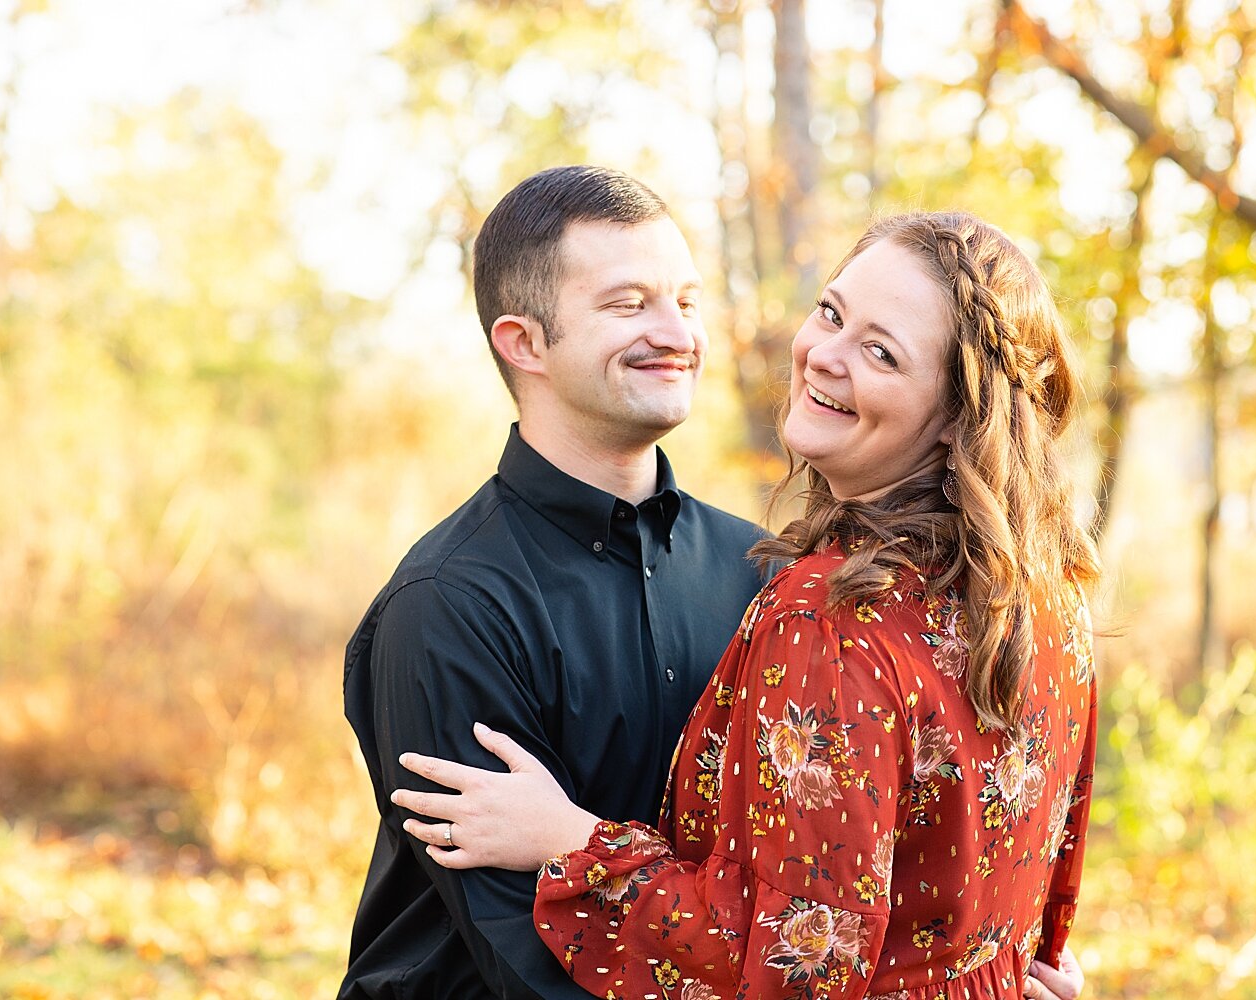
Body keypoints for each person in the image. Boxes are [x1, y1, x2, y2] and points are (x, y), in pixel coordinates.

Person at [394, 211, 1100, 1000]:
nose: (824, 355)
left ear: (956, 415)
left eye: (881, 351)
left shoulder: (827, 618)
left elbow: (796, 971)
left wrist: (571, 842)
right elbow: (1041, 919)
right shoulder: (1046, 597)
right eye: (831, 313)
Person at [339, 165, 769, 999]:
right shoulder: (448, 606)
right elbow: (525, 954)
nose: (675, 331)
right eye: (627, 304)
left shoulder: (762, 572)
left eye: (686, 299)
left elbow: (805, 864)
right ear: (523, 342)